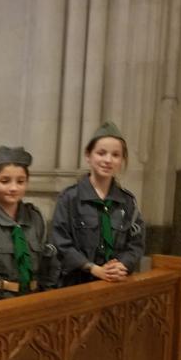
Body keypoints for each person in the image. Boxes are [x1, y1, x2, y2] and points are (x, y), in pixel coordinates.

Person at [51, 121, 145, 286]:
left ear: (122, 160)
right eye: (101, 153)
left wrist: (121, 265)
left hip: (115, 283)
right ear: (88, 155)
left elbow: (136, 244)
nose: (108, 160)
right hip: (77, 284)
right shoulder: (69, 198)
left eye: (115, 155)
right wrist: (93, 268)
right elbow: (61, 243)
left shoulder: (127, 202)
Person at [0, 146, 58, 299]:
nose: (13, 188)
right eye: (5, 181)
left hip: (35, 297)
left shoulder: (35, 218)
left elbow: (48, 263)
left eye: (20, 181)